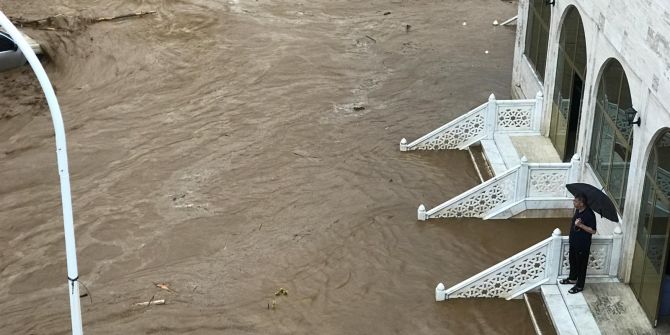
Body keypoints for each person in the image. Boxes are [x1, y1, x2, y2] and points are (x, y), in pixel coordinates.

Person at [560, 193, 597, 294]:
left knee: (581, 265)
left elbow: (593, 231)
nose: (573, 202)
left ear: (581, 203)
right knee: (572, 261)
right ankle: (572, 278)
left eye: (575, 201)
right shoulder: (578, 210)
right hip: (574, 242)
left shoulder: (590, 214)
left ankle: (580, 285)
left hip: (582, 244)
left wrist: (581, 225)